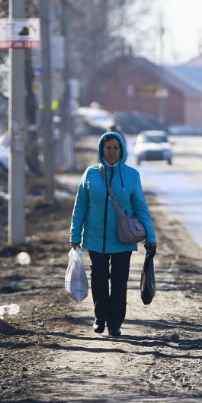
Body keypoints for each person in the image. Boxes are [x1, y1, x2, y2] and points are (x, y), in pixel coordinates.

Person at [70, 131, 157, 337]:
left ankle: (115, 323)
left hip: (123, 238)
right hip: (95, 237)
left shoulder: (131, 175)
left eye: (115, 148)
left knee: (119, 282)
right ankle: (100, 317)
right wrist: (75, 235)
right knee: (99, 279)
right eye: (108, 148)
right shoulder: (90, 174)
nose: (111, 152)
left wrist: (150, 236)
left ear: (122, 150)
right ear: (102, 150)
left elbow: (140, 207)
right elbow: (80, 205)